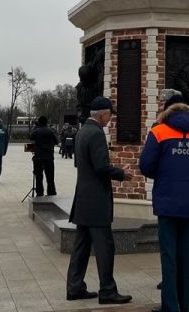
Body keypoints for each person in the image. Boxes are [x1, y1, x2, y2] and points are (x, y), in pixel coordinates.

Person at [140, 90, 189, 312]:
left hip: (167, 202)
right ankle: (185, 303)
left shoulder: (158, 132)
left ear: (166, 110)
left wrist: (164, 174)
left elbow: (146, 165)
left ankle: (170, 305)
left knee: (169, 255)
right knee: (187, 254)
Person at [65, 96, 132, 305]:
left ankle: (74, 287)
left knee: (81, 247)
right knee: (105, 248)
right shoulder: (96, 133)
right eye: (109, 115)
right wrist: (122, 174)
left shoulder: (82, 131)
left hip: (84, 199)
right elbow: (101, 167)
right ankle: (107, 291)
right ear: (102, 114)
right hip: (96, 202)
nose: (110, 120)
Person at [30, 116, 59, 196]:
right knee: (50, 177)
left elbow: (31, 137)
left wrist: (35, 127)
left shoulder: (36, 131)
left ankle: (40, 193)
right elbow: (57, 141)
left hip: (38, 156)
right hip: (49, 157)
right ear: (46, 122)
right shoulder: (51, 131)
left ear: (39, 122)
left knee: (39, 177)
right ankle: (51, 192)